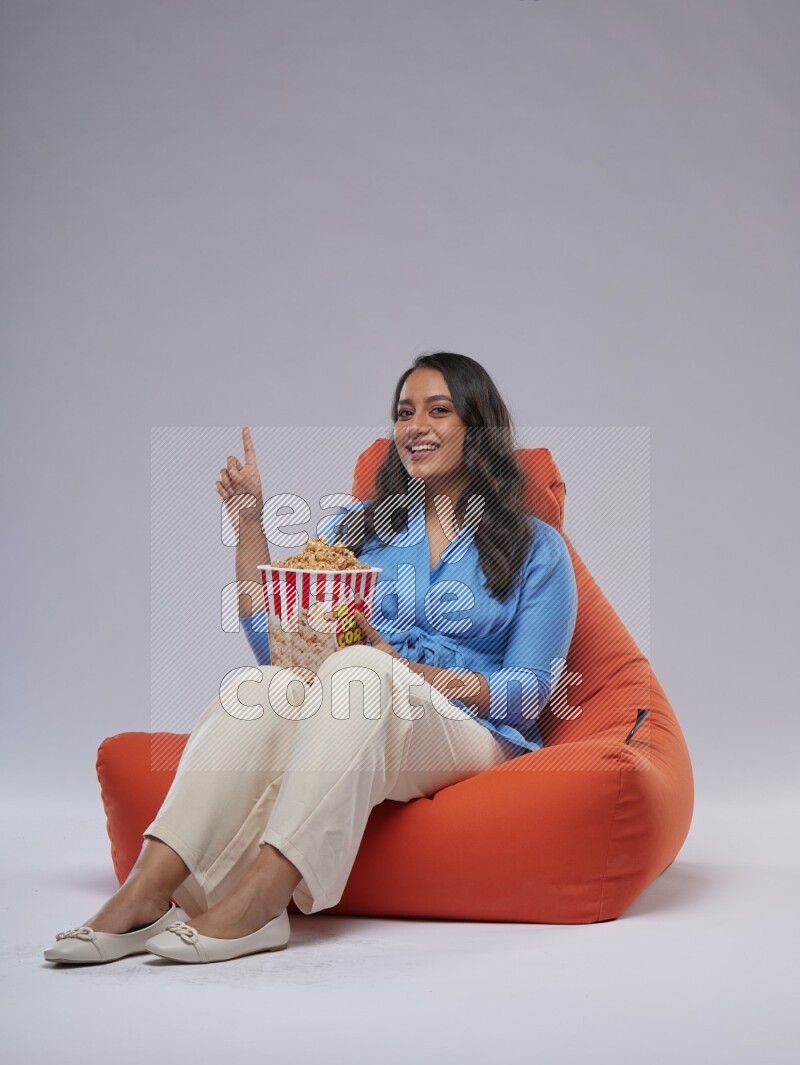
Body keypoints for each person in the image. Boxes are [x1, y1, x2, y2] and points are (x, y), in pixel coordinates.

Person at [43, 352, 578, 966]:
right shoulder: (360, 528)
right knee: (264, 687)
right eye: (404, 413)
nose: (415, 426)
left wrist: (409, 671)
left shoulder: (538, 548)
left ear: (476, 426)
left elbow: (530, 690)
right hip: (358, 710)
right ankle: (147, 890)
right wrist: (248, 522)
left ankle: (262, 904)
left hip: (473, 733)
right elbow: (276, 643)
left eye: (438, 410)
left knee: (363, 672)